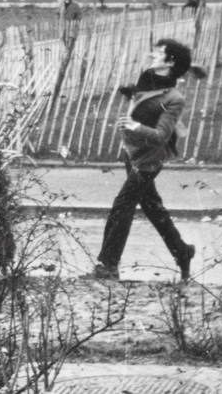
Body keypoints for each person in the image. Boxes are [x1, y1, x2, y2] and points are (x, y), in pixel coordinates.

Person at [88, 39, 207, 282]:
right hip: (132, 153)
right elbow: (145, 96)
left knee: (122, 206)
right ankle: (182, 252)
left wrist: (135, 125)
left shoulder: (175, 98)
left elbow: (162, 136)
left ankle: (107, 266)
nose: (152, 54)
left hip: (149, 160)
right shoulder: (150, 77)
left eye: (158, 52)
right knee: (153, 208)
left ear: (170, 61)